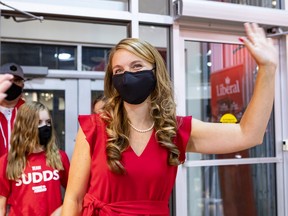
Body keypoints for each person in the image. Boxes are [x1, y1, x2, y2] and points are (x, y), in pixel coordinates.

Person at [61, 23, 277, 215]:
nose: (127, 76)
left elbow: (249, 134)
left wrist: (267, 68)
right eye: (119, 70)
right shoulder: (94, 128)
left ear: (155, 72)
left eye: (137, 67)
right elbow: (73, 199)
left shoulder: (174, 130)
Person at [0, 101, 70, 216]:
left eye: (48, 122)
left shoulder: (59, 157)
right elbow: (1, 207)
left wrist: (61, 211)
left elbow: (76, 194)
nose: (45, 127)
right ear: (25, 126)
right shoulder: (7, 161)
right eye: (39, 123)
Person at [0, 63, 26, 157]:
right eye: (8, 80)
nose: (12, 84)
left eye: (17, 80)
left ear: (22, 85)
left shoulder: (31, 113)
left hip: (23, 170)